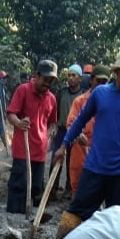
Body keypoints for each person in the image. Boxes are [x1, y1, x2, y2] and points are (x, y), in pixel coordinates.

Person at [53, 47, 120, 239]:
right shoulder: (100, 94)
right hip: (95, 166)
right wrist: (64, 144)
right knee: (77, 211)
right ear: (117, 71)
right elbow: (80, 120)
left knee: (118, 220)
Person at [6, 59, 58, 215]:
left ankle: (31, 215)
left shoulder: (52, 98)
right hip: (23, 148)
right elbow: (10, 114)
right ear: (37, 75)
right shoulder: (23, 90)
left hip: (40, 150)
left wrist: (51, 132)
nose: (47, 84)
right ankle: (14, 214)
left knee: (36, 186)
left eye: (51, 81)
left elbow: (53, 123)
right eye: (45, 79)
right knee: (19, 184)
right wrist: (19, 123)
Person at [65, 64, 110, 194]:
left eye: (104, 82)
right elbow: (71, 123)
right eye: (98, 81)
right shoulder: (79, 101)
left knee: (98, 188)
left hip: (101, 151)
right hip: (80, 150)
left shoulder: (111, 103)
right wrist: (78, 134)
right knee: (78, 186)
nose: (101, 85)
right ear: (91, 80)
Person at [50, 64, 83, 193]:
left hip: (75, 132)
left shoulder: (82, 94)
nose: (70, 78)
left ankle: (70, 190)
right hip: (62, 130)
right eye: (69, 75)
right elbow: (55, 111)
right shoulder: (62, 93)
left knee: (72, 162)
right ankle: (52, 189)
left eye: (74, 75)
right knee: (56, 158)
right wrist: (54, 126)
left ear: (80, 78)